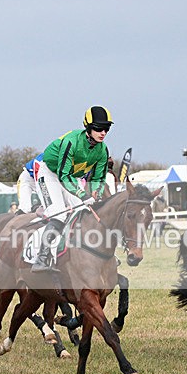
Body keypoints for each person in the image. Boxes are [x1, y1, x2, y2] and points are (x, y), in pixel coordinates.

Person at [32, 105, 111, 272]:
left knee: (84, 212)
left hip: (71, 176)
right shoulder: (71, 141)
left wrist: (95, 192)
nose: (103, 132)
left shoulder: (102, 150)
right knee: (59, 213)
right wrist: (82, 193)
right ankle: (42, 258)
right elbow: (63, 175)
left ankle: (81, 255)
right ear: (88, 128)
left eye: (106, 128)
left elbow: (98, 178)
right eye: (98, 128)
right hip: (51, 173)